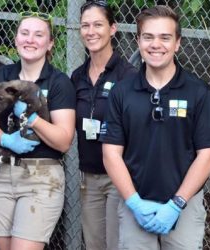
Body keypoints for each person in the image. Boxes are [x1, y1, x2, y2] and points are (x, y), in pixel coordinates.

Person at [101, 5, 210, 250]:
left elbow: (208, 155)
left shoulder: (198, 92)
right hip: (135, 202)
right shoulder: (122, 92)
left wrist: (176, 204)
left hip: (184, 206)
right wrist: (134, 203)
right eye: (148, 37)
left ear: (177, 43)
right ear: (138, 41)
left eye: (165, 37)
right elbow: (111, 153)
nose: (156, 44)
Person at [0, 11, 76, 250]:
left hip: (41, 176)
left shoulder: (58, 82)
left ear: (50, 44)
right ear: (15, 39)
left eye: (38, 35)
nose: (30, 40)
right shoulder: (4, 75)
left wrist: (31, 117)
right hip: (2, 174)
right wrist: (6, 139)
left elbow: (64, 141)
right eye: (24, 33)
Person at [70, 1, 137, 249]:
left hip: (119, 176)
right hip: (89, 177)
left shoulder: (128, 76)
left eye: (98, 24)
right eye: (85, 25)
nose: (91, 31)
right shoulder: (77, 77)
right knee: (95, 244)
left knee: (117, 244)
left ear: (112, 28)